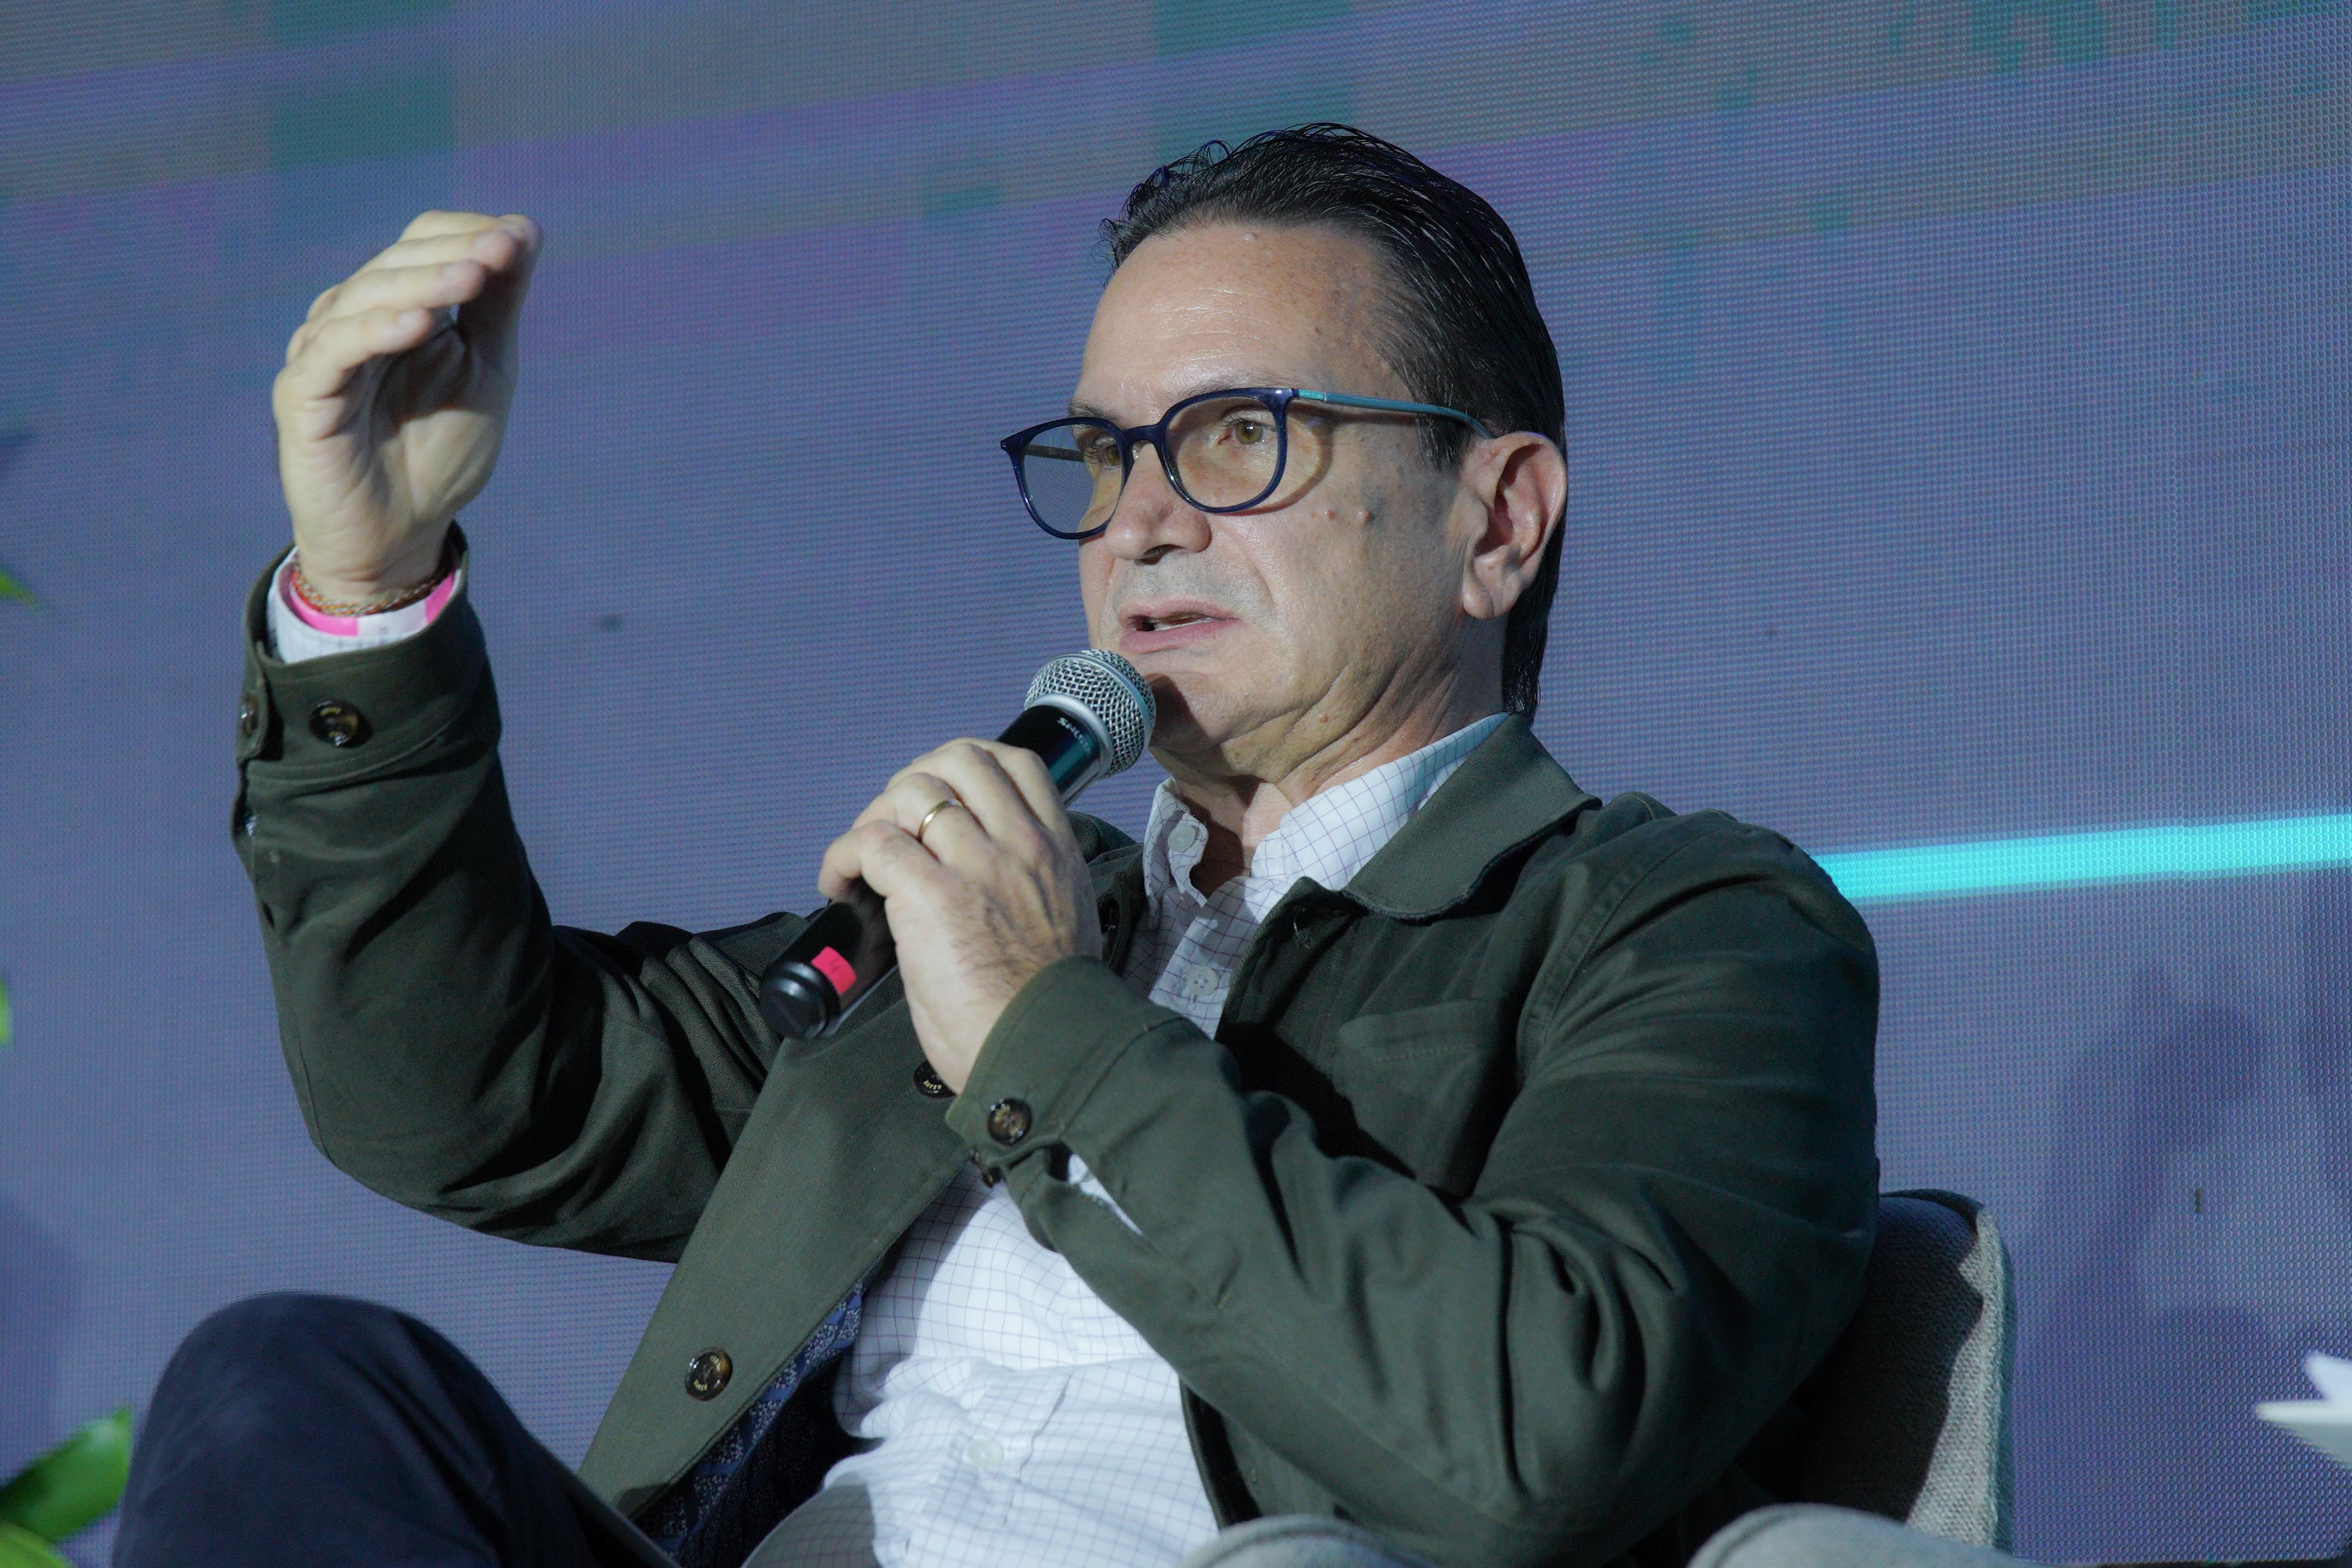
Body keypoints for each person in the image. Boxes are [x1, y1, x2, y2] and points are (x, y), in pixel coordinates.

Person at [118, 125, 1879, 1568]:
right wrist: (369, 588)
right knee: (284, 1384)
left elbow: (1532, 1442)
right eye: (1107, 456)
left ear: (1496, 519)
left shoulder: (1674, 926)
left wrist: (1048, 1036)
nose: (1143, 523)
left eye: (1238, 439)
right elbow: (468, 1097)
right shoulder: (1003, 917)